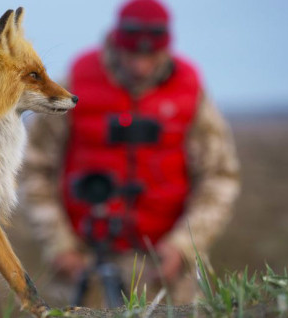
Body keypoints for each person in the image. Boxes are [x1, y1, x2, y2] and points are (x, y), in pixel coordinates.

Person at [20, 0, 240, 306]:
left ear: (166, 47)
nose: (140, 66)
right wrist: (59, 243)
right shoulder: (76, 82)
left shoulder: (190, 88)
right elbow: (34, 168)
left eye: (150, 56)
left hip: (166, 266)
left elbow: (220, 176)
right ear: (116, 41)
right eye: (132, 54)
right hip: (82, 260)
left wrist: (184, 246)